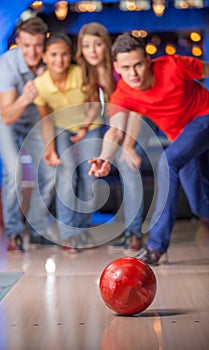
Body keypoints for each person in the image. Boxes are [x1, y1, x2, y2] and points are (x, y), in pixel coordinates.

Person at [88, 32, 209, 265]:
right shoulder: (122, 95)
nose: (133, 73)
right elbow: (114, 131)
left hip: (205, 117)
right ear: (117, 67)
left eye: (138, 65)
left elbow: (206, 68)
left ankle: (155, 247)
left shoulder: (173, 66)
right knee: (200, 205)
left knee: (167, 163)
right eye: (126, 67)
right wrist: (104, 157)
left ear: (148, 60)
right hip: (184, 140)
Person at [76, 22, 155, 250]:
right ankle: (127, 230)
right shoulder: (90, 72)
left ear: (106, 45)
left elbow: (137, 106)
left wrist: (128, 144)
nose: (92, 50)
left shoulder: (119, 67)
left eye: (98, 44)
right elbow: (100, 107)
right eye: (86, 45)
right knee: (112, 160)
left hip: (140, 115)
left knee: (127, 163)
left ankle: (133, 234)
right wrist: (84, 127)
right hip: (118, 117)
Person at [0, 14, 55, 251]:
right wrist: (26, 97)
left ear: (44, 42)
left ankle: (36, 229)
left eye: (37, 45)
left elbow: (48, 112)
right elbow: (7, 115)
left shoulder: (50, 62)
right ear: (18, 42)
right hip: (6, 118)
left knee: (49, 170)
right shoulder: (6, 64)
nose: (33, 52)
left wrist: (52, 150)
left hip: (36, 119)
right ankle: (14, 232)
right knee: (14, 169)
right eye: (26, 45)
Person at [33, 33, 103, 251]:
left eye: (64, 54)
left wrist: (84, 127)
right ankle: (68, 233)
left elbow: (94, 103)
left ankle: (82, 229)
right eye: (53, 54)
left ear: (70, 55)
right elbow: (45, 120)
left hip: (91, 126)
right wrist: (50, 149)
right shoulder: (39, 85)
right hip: (62, 129)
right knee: (65, 176)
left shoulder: (81, 73)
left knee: (89, 177)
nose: (59, 60)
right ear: (44, 56)